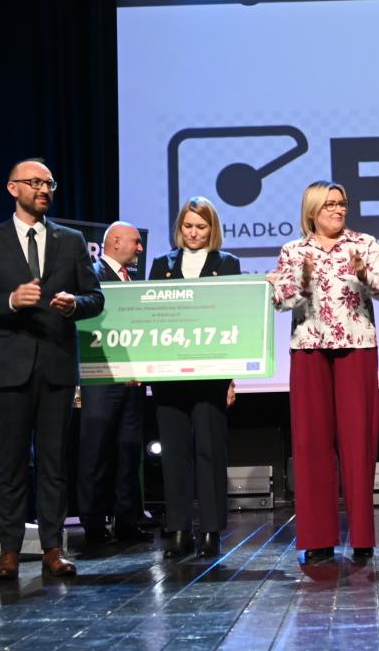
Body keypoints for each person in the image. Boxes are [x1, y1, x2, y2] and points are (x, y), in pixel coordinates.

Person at [0, 158, 104, 580]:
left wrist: (74, 304)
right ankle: (8, 551)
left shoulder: (71, 240)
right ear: (13, 189)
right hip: (11, 366)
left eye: (49, 184)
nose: (44, 190)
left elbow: (96, 298)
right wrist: (10, 301)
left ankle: (53, 547)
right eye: (35, 183)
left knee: (53, 463)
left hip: (56, 365)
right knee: (11, 462)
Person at [271, 181, 379, 562]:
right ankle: (318, 538)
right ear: (312, 211)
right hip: (309, 348)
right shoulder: (294, 250)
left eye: (342, 204)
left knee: (358, 441)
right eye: (330, 205)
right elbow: (280, 301)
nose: (339, 210)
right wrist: (302, 279)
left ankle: (362, 537)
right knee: (311, 443)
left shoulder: (364, 243)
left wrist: (364, 273)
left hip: (356, 346)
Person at [149, 198, 241, 558]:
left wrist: (231, 377)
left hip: (211, 372)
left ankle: (211, 531)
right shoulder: (162, 264)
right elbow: (150, 316)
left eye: (201, 227)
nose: (193, 233)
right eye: (188, 226)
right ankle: (179, 529)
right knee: (174, 453)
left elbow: (235, 318)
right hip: (168, 374)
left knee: (210, 450)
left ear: (212, 229)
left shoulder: (227, 263)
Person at [78, 221, 150, 546]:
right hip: (101, 378)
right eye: (135, 242)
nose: (140, 248)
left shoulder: (131, 280)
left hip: (132, 381)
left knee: (128, 449)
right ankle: (93, 524)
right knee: (96, 451)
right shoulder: (91, 275)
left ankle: (127, 521)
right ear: (116, 242)